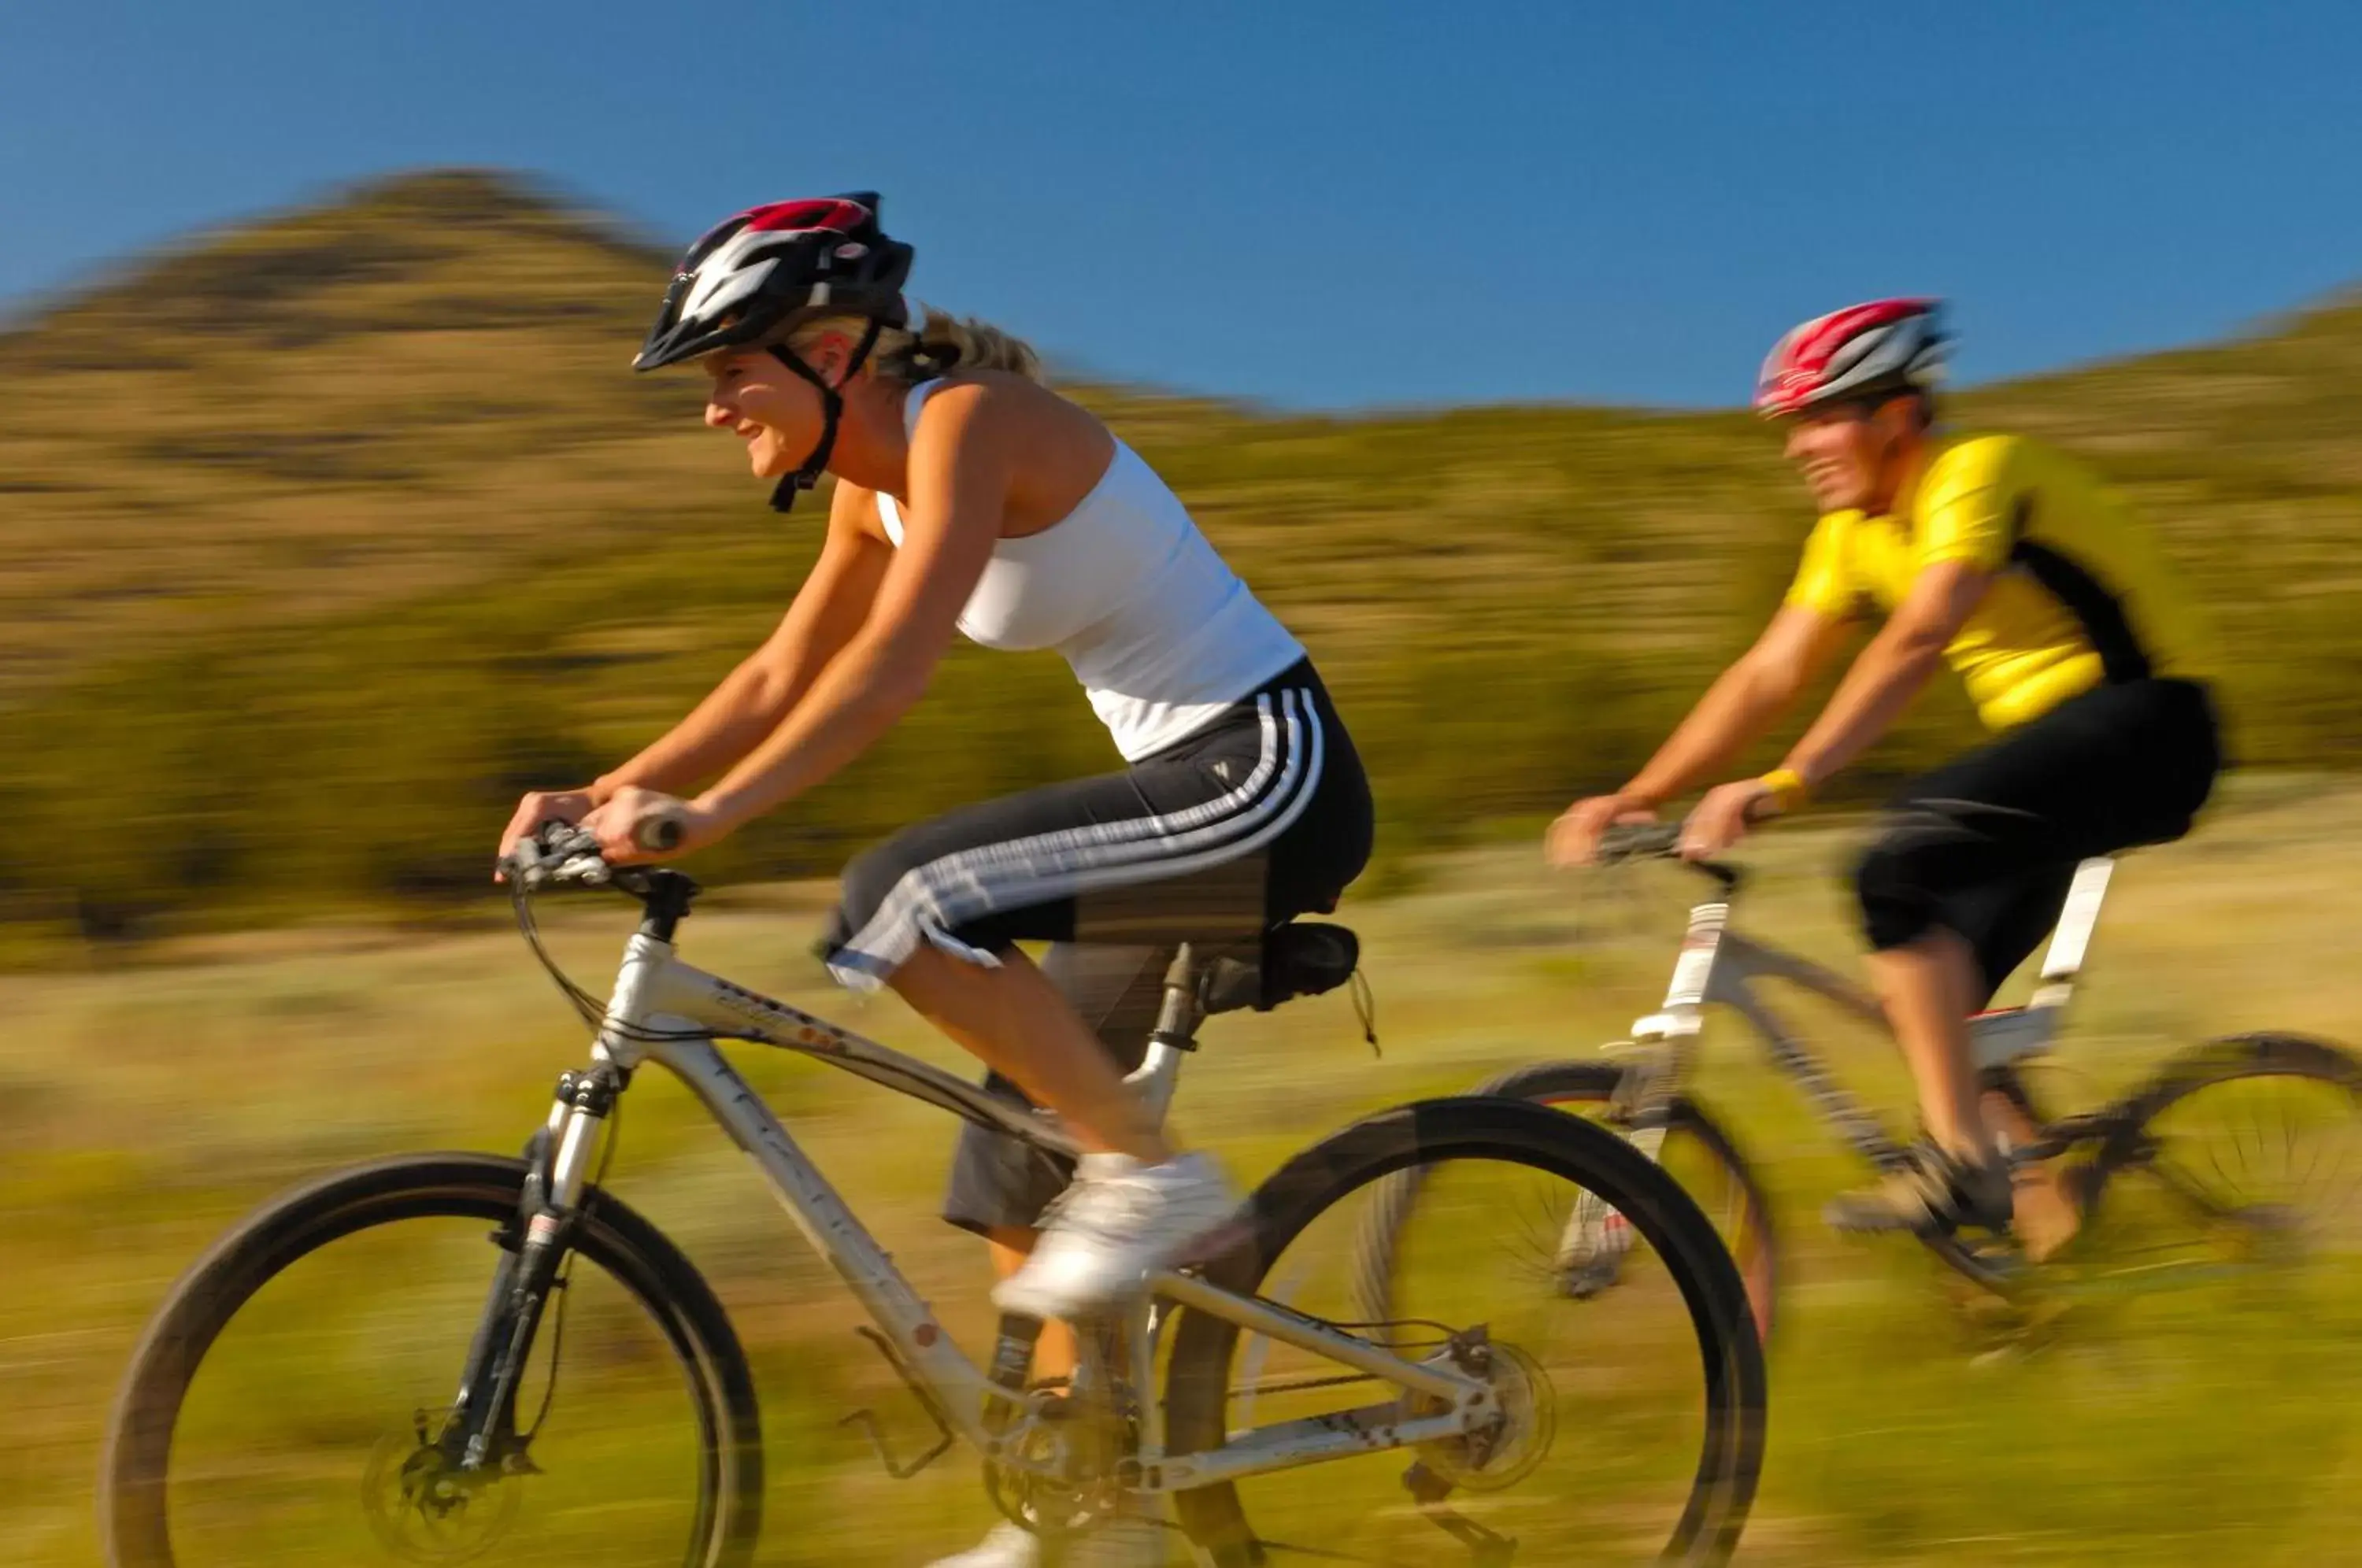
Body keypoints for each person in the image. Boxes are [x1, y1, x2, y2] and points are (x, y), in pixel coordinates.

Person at [496, 194, 1372, 1566]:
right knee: (1016, 1142)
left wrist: (713, 813)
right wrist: (603, 791)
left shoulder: (968, 422)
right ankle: (1094, 1517)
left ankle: (1165, 1183)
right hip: (1187, 791)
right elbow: (780, 674)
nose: (715, 407)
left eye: (731, 370)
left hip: (1267, 774)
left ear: (833, 350)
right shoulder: (868, 487)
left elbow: (891, 667)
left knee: (902, 899)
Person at [1549, 298, 2221, 1238]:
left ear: (1898, 416)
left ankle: (1960, 1171)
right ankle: (2053, 1252)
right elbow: (1769, 672)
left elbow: (1921, 633)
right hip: (2058, 764)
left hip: (2150, 727)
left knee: (1890, 866)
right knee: (1939, 1019)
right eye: (1793, 426)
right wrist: (1640, 795)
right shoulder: (1849, 536)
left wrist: (1786, 784)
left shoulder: (1974, 474)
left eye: (1820, 418)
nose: (1797, 447)